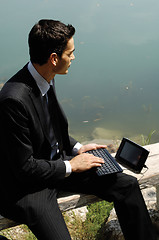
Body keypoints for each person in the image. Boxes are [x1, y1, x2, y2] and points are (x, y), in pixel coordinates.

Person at [0, 19, 156, 240]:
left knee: (127, 185)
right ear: (54, 59)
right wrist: (71, 166)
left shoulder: (45, 77)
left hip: (58, 164)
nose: (73, 58)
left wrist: (78, 147)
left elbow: (49, 128)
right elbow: (24, 168)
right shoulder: (13, 100)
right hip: (28, 187)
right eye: (70, 53)